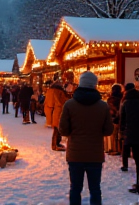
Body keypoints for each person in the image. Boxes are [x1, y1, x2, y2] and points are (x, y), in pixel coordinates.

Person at [59, 71, 113, 205]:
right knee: (95, 189)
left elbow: (63, 130)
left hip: (75, 154)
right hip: (95, 155)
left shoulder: (69, 105)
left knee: (75, 188)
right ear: (95, 85)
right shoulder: (103, 106)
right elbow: (108, 130)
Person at [119, 82, 139, 193]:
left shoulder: (126, 102)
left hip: (131, 133)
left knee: (135, 156)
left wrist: (121, 132)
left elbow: (123, 119)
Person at [44, 72, 69, 151]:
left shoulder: (50, 90)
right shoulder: (59, 91)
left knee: (56, 129)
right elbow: (63, 101)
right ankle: (55, 145)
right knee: (57, 129)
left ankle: (56, 144)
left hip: (51, 110)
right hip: (57, 111)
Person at [119, 82, 135, 172]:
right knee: (137, 148)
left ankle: (125, 165)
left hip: (128, 128)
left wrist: (121, 129)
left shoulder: (125, 101)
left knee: (125, 148)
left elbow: (122, 116)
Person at [106, 83, 123, 155]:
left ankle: (112, 148)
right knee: (118, 135)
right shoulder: (122, 98)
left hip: (112, 119)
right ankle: (119, 149)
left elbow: (108, 110)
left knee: (112, 134)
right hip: (120, 118)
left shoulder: (110, 99)